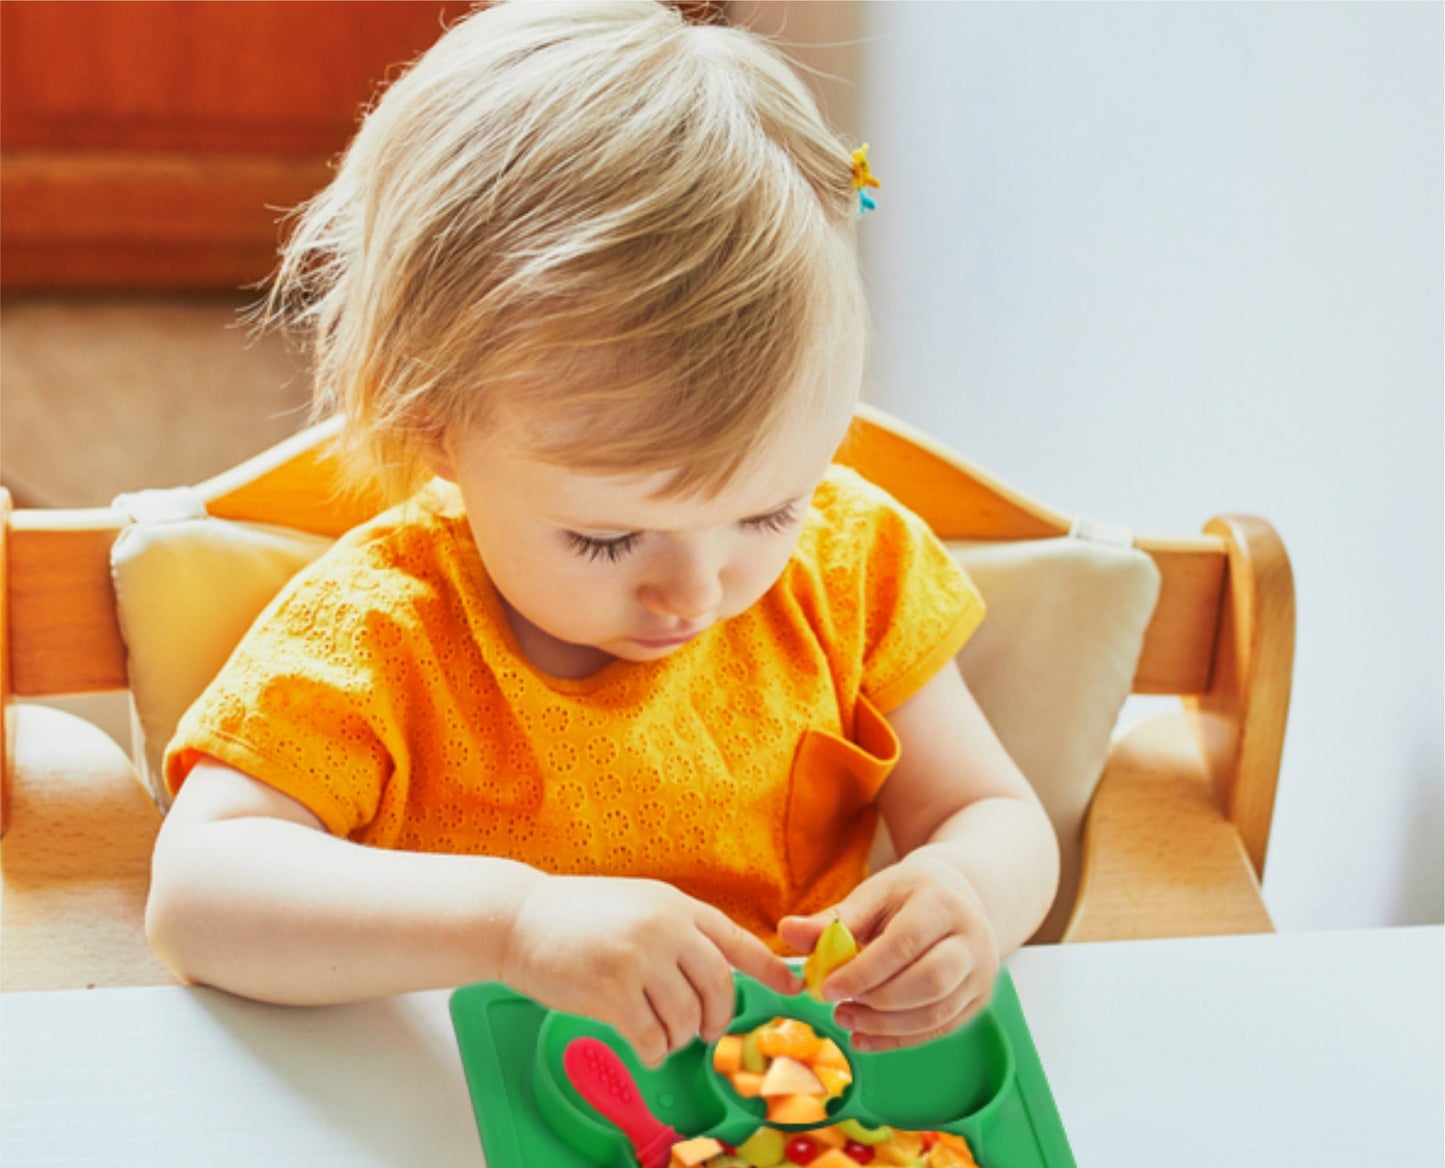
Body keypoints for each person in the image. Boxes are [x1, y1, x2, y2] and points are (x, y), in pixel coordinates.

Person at [146, 0, 1059, 1068]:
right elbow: (198, 894)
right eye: (605, 539)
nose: (695, 591)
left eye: (764, 509)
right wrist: (511, 922)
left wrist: (970, 892)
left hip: (777, 1111)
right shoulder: (381, 631)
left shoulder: (850, 567)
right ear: (434, 429)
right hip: (468, 1115)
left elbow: (992, 809)